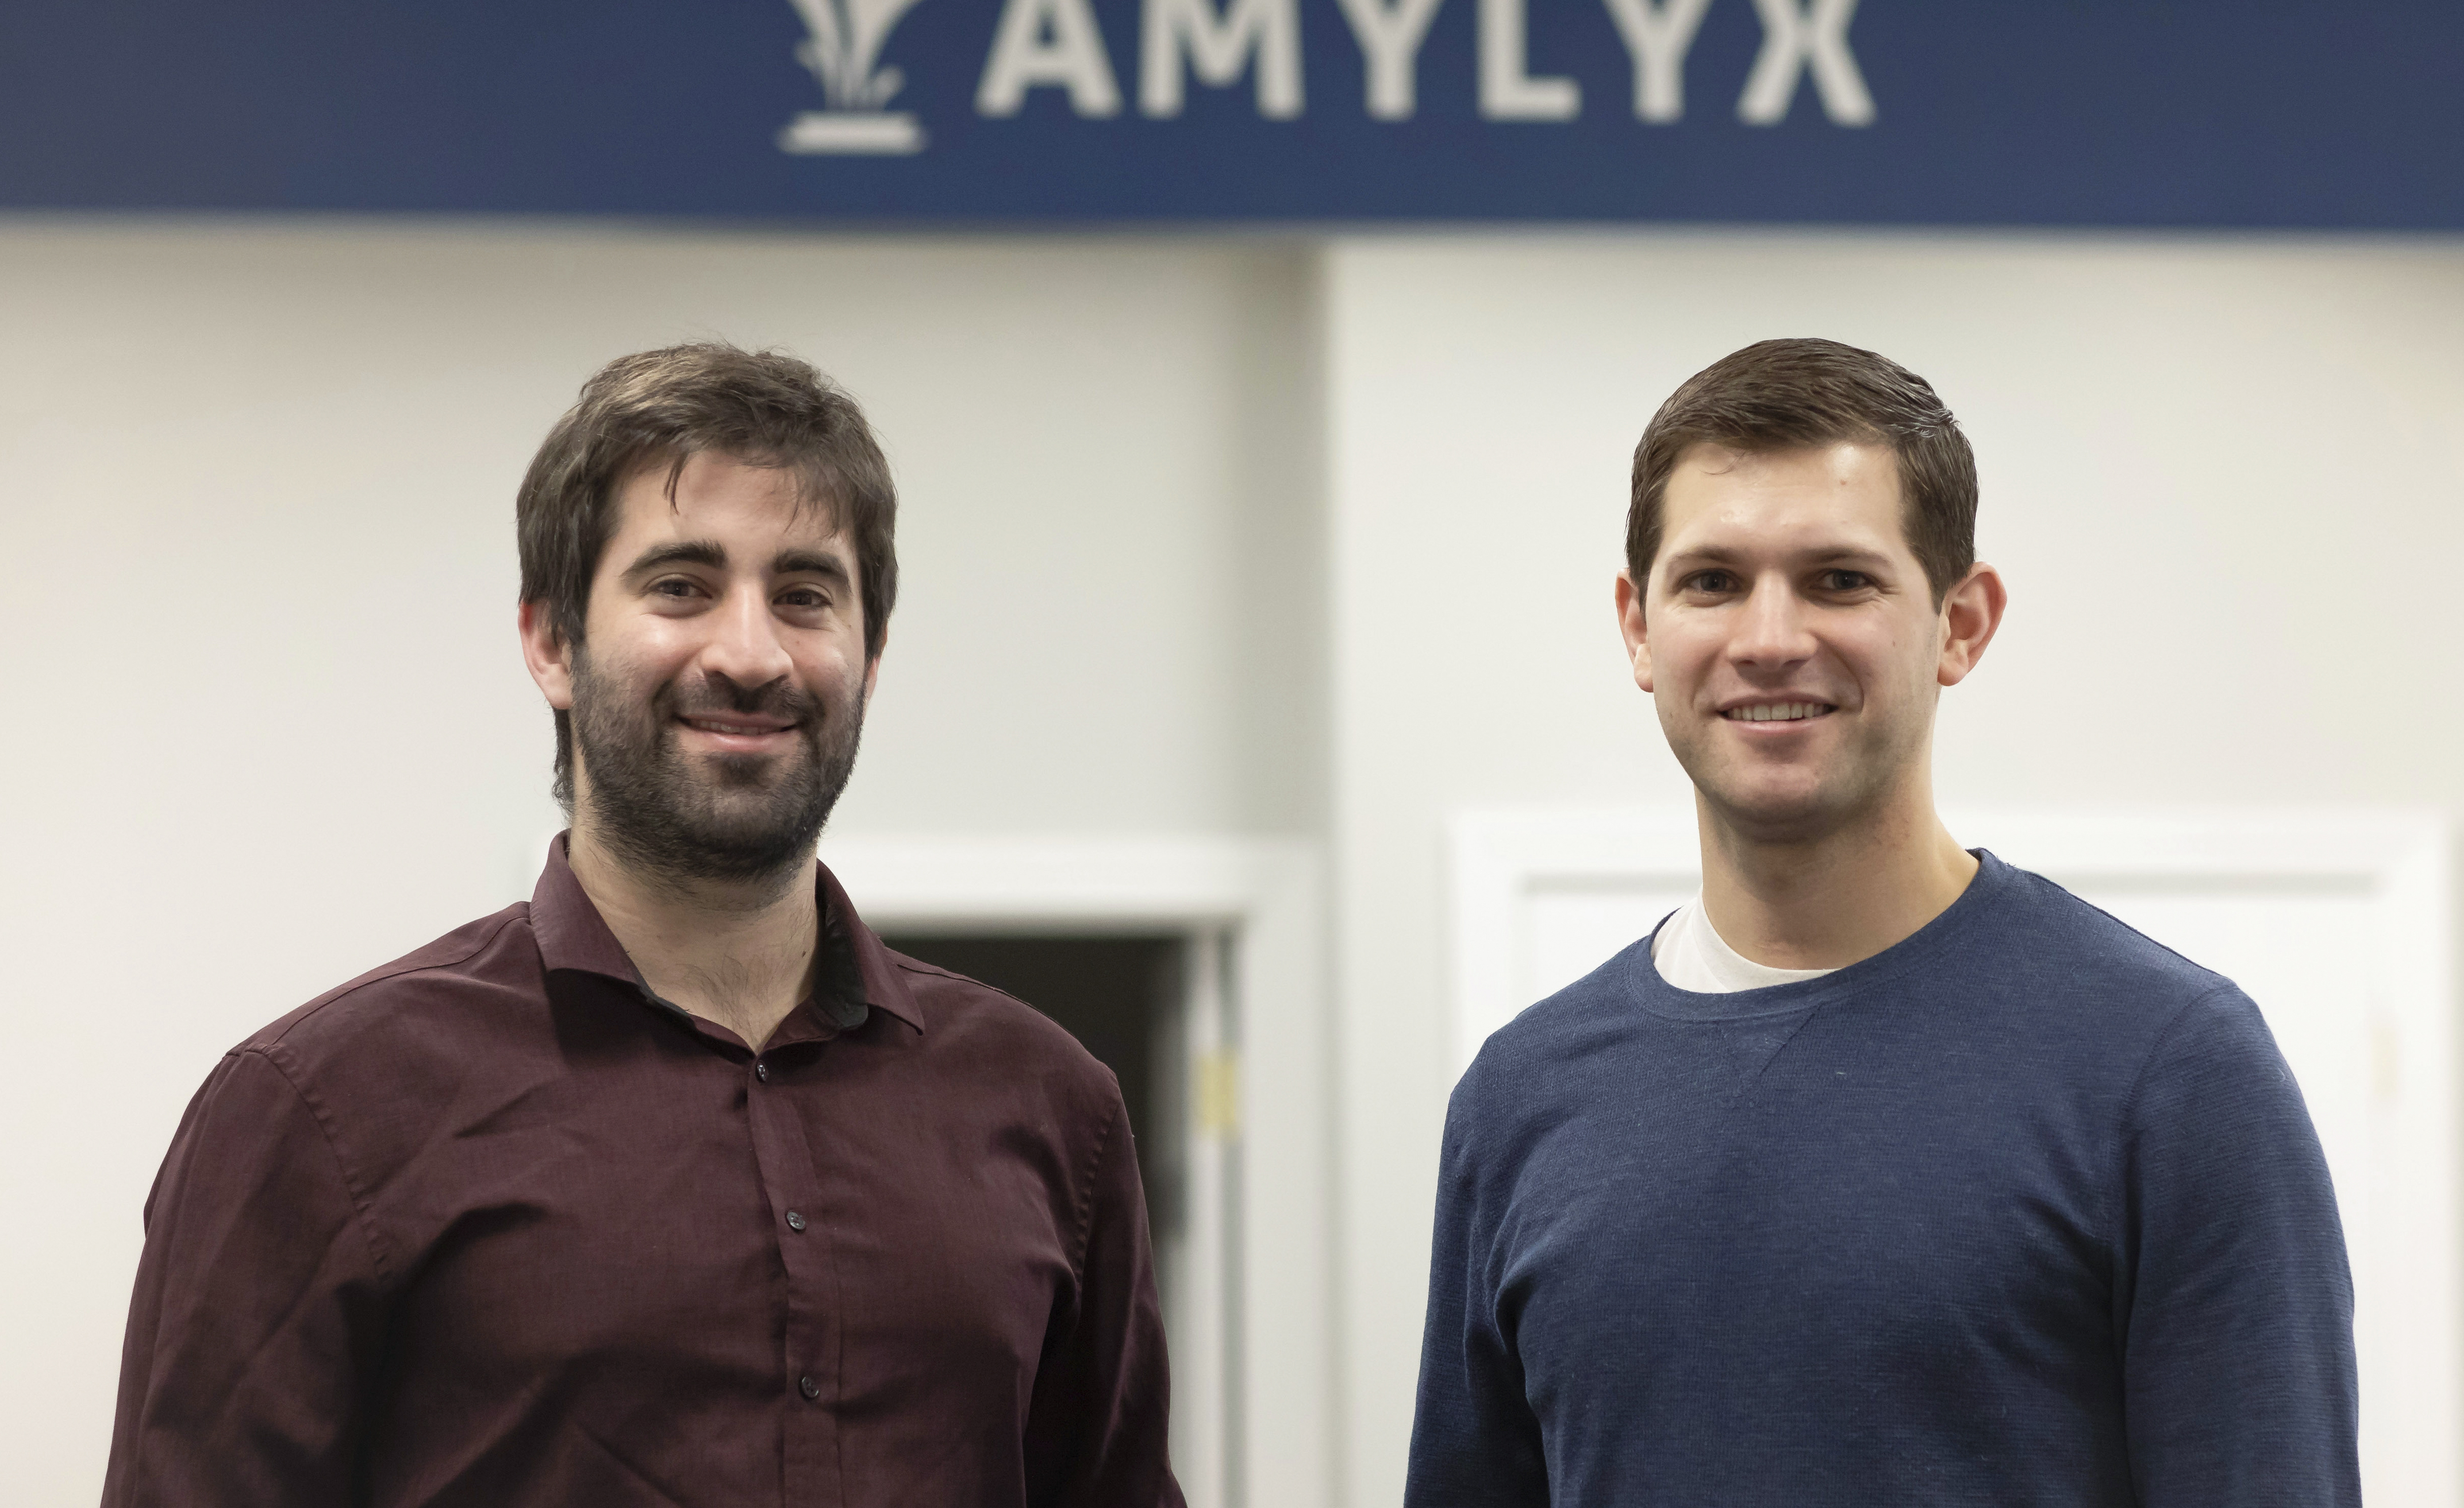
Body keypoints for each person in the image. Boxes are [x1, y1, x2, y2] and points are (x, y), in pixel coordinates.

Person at [104, 344, 1182, 1507]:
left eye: (806, 596)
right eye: (680, 585)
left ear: (870, 660)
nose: (750, 652)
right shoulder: (320, 1116)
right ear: (552, 642)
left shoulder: (1047, 1110)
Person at [1405, 339, 2357, 1505]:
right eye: (1711, 581)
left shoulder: (2167, 1072)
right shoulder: (1520, 1099)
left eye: (1838, 580)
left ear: (1962, 623)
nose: (1767, 639)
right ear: (1637, 627)